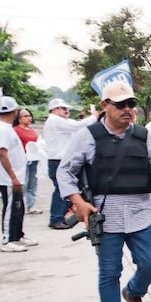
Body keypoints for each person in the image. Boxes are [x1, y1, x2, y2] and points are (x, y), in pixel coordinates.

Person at [58, 81, 151, 302]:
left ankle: (133, 293)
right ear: (105, 106)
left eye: (130, 104)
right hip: (104, 216)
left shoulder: (144, 136)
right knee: (109, 272)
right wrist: (78, 202)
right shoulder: (87, 136)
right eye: (120, 104)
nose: (127, 109)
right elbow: (65, 172)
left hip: (139, 214)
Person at [0, 96, 34, 252]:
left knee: (18, 206)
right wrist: (12, 177)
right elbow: (2, 153)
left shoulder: (5, 128)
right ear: (14, 111)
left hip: (15, 176)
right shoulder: (2, 129)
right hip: (7, 177)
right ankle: (8, 239)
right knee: (10, 207)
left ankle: (18, 235)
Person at [42, 98, 95, 229]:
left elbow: (79, 125)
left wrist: (91, 118)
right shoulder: (54, 120)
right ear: (55, 109)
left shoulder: (61, 121)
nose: (67, 111)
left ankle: (61, 216)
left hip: (62, 159)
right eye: (63, 108)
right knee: (62, 189)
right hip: (57, 160)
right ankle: (56, 218)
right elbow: (76, 126)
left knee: (68, 188)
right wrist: (93, 117)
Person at [12, 108, 44, 214]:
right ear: (19, 118)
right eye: (25, 116)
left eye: (29, 115)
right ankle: (21, 204)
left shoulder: (32, 130)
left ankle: (31, 205)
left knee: (32, 183)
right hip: (23, 159)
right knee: (23, 183)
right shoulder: (16, 130)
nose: (28, 118)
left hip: (34, 159)